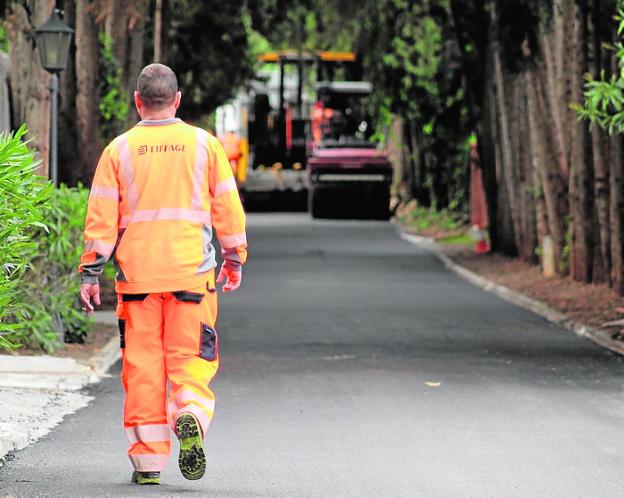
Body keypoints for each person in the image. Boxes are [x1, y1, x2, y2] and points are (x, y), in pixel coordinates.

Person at [78, 63, 247, 486]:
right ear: (177, 101)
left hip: (138, 283)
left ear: (138, 102)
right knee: (190, 362)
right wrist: (234, 257)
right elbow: (226, 206)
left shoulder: (118, 150)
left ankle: (148, 464)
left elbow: (101, 217)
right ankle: (189, 414)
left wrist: (89, 273)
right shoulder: (204, 145)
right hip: (192, 277)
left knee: (143, 369)